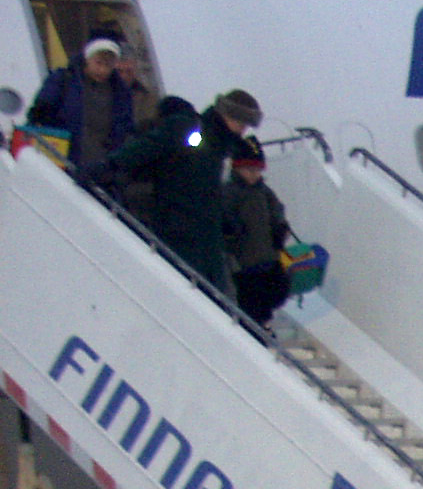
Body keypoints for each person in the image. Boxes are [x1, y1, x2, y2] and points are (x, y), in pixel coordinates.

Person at [85, 89, 262, 296]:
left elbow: (207, 191)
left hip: (205, 238)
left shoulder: (222, 148)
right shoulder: (189, 129)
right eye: (240, 123)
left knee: (212, 297)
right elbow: (145, 148)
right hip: (178, 231)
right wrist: (109, 165)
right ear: (225, 115)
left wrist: (224, 218)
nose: (242, 131)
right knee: (189, 292)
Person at [27, 31, 140, 170]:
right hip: (60, 160)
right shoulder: (63, 80)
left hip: (99, 168)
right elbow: (40, 111)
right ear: (87, 59)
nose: (102, 70)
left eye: (108, 65)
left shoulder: (121, 93)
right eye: (98, 63)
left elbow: (124, 130)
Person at [219, 141, 293, 330]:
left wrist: (280, 229)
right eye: (249, 170)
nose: (254, 175)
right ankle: (255, 331)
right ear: (238, 168)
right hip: (244, 263)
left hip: (268, 258)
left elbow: (277, 213)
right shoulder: (230, 193)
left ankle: (263, 326)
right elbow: (224, 220)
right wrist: (232, 232)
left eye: (257, 170)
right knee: (251, 302)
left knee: (273, 293)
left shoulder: (264, 192)